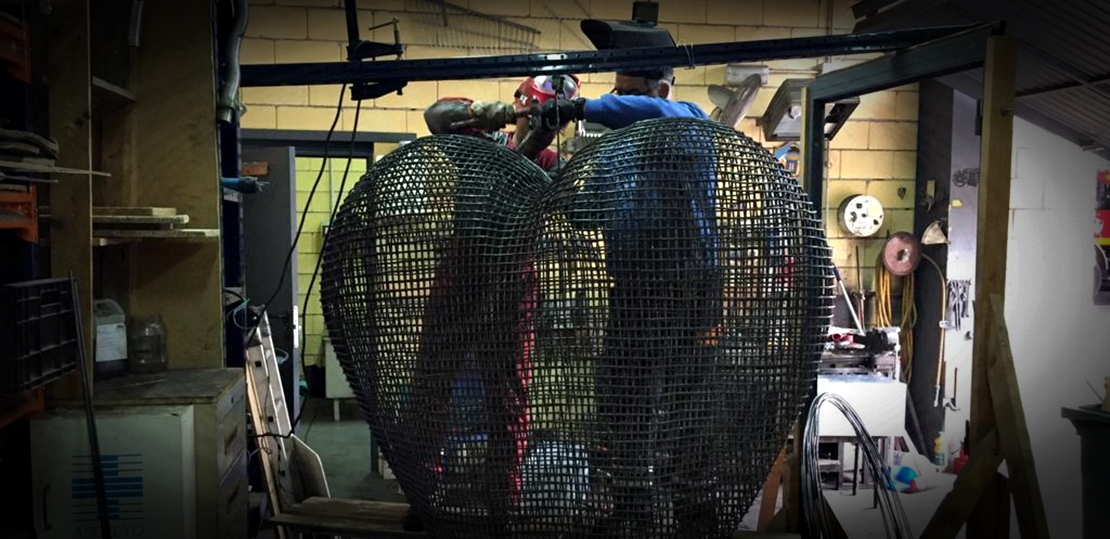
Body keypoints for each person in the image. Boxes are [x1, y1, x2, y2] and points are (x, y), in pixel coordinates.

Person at [532, 20, 725, 537]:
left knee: (687, 406)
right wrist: (552, 175)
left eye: (628, 94)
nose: (618, 104)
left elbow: (658, 114)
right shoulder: (619, 151)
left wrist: (580, 107)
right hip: (635, 290)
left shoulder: (685, 118)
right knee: (623, 400)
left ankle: (692, 512)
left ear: (660, 89)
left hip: (689, 289)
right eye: (615, 92)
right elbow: (591, 211)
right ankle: (634, 503)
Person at [423, 74, 581, 174]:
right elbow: (435, 117)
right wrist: (502, 113)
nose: (536, 130)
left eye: (546, 124)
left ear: (560, 128)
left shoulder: (554, 165)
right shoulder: (484, 144)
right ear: (518, 108)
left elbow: (579, 218)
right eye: (531, 118)